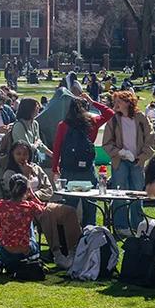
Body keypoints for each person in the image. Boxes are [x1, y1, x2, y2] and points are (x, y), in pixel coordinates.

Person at [52, 96, 115, 225]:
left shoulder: (63, 125)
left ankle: (69, 234)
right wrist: (93, 102)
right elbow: (110, 113)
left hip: (69, 169)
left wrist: (55, 168)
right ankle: (90, 234)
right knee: (90, 205)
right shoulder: (93, 122)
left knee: (69, 205)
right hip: (88, 169)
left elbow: (57, 147)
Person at [101, 90, 154, 235]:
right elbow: (106, 143)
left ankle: (138, 225)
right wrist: (120, 153)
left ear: (128, 102)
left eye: (119, 101)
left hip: (137, 161)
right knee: (120, 194)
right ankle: (121, 227)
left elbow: (150, 140)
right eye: (115, 101)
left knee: (137, 193)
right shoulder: (113, 120)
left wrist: (142, 157)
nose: (116, 104)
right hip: (120, 162)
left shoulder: (141, 118)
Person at [0, 174, 45, 272]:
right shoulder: (30, 207)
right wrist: (32, 194)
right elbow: (43, 209)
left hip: (6, 250)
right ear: (26, 191)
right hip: (25, 250)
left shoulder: (0, 206)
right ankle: (28, 259)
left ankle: (1, 262)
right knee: (30, 225)